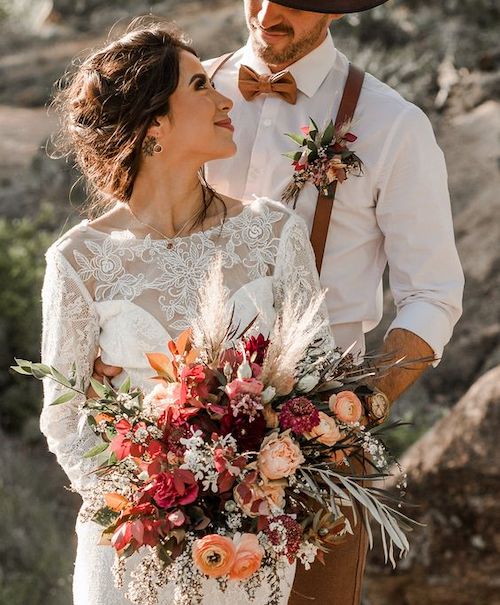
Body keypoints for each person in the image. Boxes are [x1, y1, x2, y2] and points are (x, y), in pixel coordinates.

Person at [91, 1, 465, 603]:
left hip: (312, 455)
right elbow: (119, 238)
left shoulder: (392, 124)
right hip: (170, 452)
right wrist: (105, 343)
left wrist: (359, 407)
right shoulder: (183, 94)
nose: (265, 13)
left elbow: (434, 295)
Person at [40, 19, 332, 605]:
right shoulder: (80, 260)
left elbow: (316, 383)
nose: (225, 99)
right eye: (200, 87)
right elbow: (63, 417)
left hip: (251, 551)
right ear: (155, 125)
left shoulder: (274, 233)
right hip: (133, 552)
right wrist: (143, 501)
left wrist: (253, 493)